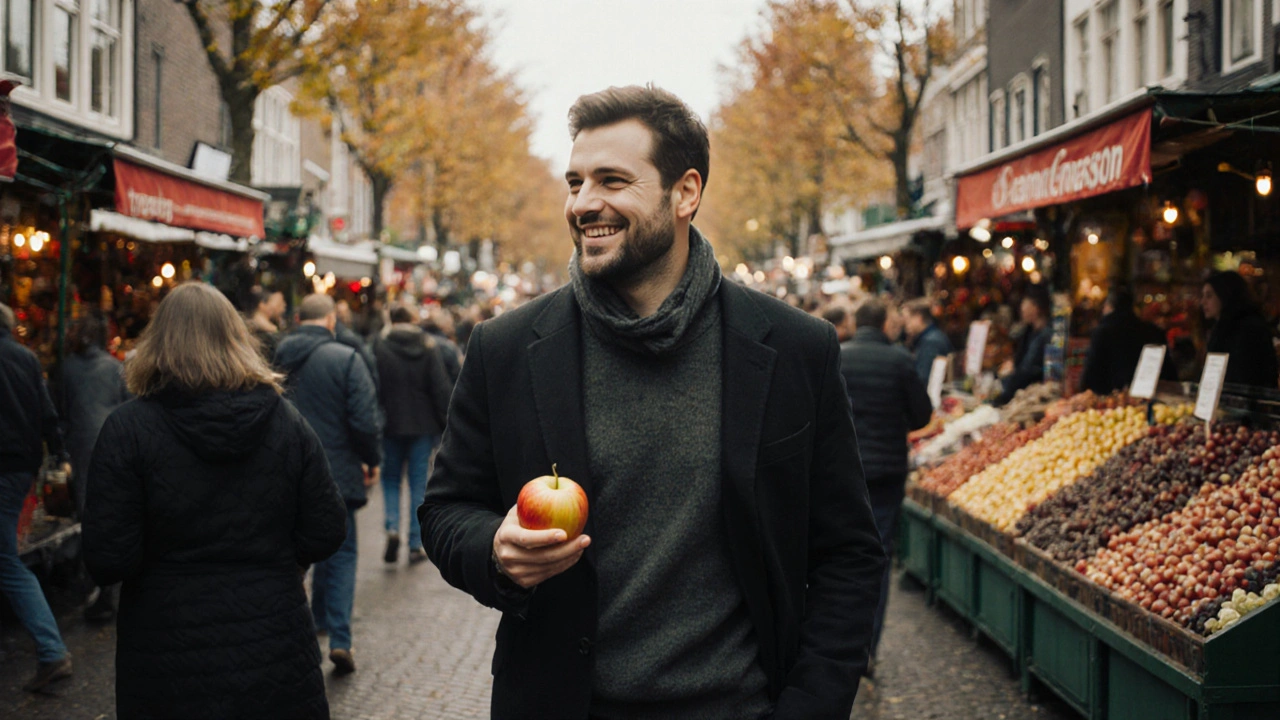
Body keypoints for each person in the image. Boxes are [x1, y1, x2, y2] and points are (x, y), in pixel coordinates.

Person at [419, 85, 885, 720]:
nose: (584, 204)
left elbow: (848, 553)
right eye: (575, 181)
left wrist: (811, 705)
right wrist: (494, 552)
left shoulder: (796, 349)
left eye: (612, 181)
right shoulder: (505, 348)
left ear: (685, 193)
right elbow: (446, 511)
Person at [80, 283, 347, 717]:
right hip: (273, 644)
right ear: (235, 338)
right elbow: (327, 529)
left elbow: (108, 556)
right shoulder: (285, 420)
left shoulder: (127, 429)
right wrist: (279, 563)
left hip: (165, 654)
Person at [275, 293, 382, 675]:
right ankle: (339, 638)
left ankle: (298, 633)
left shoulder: (275, 359)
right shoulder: (345, 358)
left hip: (282, 475)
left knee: (290, 559)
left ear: (298, 318)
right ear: (332, 321)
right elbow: (364, 420)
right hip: (336, 473)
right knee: (341, 554)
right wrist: (371, 459)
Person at [838, 298, 933, 673]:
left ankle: (836, 644)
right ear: (883, 325)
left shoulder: (838, 357)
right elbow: (922, 414)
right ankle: (867, 648)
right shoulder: (900, 361)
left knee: (839, 556)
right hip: (886, 475)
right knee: (876, 560)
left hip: (845, 473)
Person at [0, 303, 73, 693]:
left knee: (6, 562)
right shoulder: (26, 359)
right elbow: (47, 414)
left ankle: (51, 650)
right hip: (20, 468)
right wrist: (59, 454)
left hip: (4, 466)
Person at [58, 312, 130, 622]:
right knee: (115, 510)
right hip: (113, 442)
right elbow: (128, 405)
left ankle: (100, 585)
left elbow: (60, 411)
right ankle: (109, 586)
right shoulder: (115, 367)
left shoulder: (66, 369)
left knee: (90, 514)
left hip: (82, 447)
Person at [373, 305, 453, 565]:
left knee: (390, 479)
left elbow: (373, 386)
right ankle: (415, 543)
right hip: (422, 425)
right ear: (412, 320)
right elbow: (440, 387)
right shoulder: (428, 346)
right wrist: (446, 423)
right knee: (418, 482)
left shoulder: (380, 346)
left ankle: (392, 527)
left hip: (391, 423)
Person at [1081, 287, 1171, 395]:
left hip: (1111, 401)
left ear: (1109, 306)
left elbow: (1091, 373)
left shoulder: (1102, 332)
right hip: (1148, 398)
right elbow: (1167, 372)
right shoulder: (1152, 331)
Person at [1202, 270, 1278, 389]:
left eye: (1209, 296)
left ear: (1224, 295)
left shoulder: (1249, 329)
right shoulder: (1220, 328)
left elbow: (1246, 377)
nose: (1203, 302)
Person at [993, 284, 1054, 406]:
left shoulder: (1045, 336)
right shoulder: (1029, 331)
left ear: (1036, 307)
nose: (1021, 308)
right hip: (1022, 395)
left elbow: (1027, 371)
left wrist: (1005, 383)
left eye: (1025, 304)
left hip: (1033, 399)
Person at [903, 298, 954, 384]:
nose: (906, 325)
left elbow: (924, 379)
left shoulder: (931, 342)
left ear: (918, 318)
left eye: (907, 320)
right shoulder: (931, 337)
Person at [335, 300, 380, 390]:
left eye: (345, 311)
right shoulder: (341, 333)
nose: (343, 314)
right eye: (340, 312)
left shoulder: (357, 322)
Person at [422, 306, 463, 385]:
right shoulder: (447, 346)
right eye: (450, 323)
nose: (452, 327)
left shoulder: (423, 339)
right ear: (443, 324)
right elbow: (457, 375)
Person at [247, 286, 286, 361]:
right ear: (262, 305)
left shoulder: (248, 326)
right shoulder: (265, 330)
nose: (272, 307)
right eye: (269, 302)